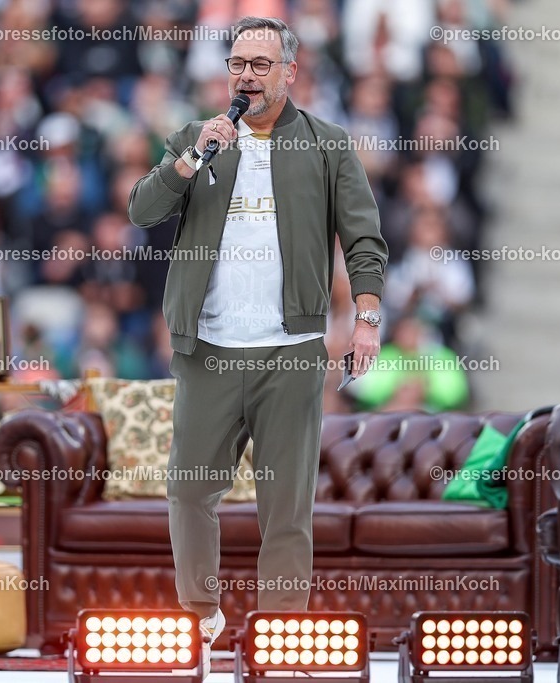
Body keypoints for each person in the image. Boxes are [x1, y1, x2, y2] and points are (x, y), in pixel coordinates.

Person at [128, 16, 388, 650]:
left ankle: (281, 635)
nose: (246, 75)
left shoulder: (327, 145)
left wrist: (367, 320)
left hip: (291, 351)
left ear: (289, 73)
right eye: (238, 63)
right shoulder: (198, 138)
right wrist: (189, 160)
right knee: (189, 490)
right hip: (208, 347)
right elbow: (142, 211)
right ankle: (199, 616)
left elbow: (363, 238)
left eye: (260, 64)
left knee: (286, 509)